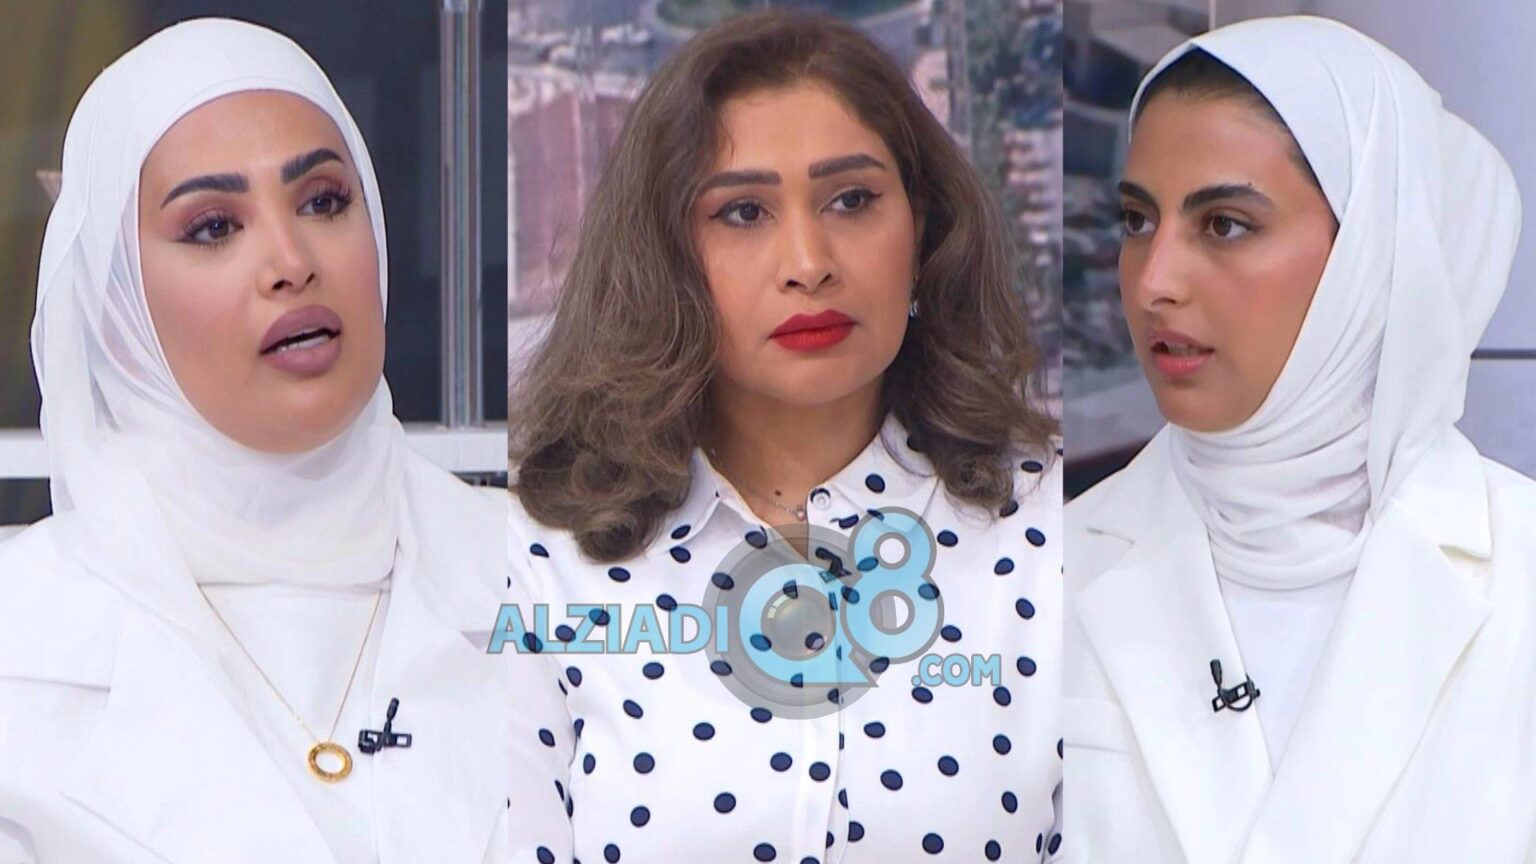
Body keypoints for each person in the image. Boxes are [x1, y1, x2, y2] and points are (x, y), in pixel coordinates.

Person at [505, 10, 1062, 864]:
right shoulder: (543, 557)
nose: (808, 262)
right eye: (743, 212)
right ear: (665, 256)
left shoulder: (1050, 536)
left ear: (923, 229)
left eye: (852, 200)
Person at [0, 19, 507, 863]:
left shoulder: (550, 580)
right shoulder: (19, 640)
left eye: (323, 202)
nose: (291, 260)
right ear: (118, 310)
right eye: (212, 227)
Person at [1065, 15, 1536, 862]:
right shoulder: (1049, 570)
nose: (1154, 282)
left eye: (1224, 224)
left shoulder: (1523, 574)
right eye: (1137, 220)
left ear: (1373, 253)